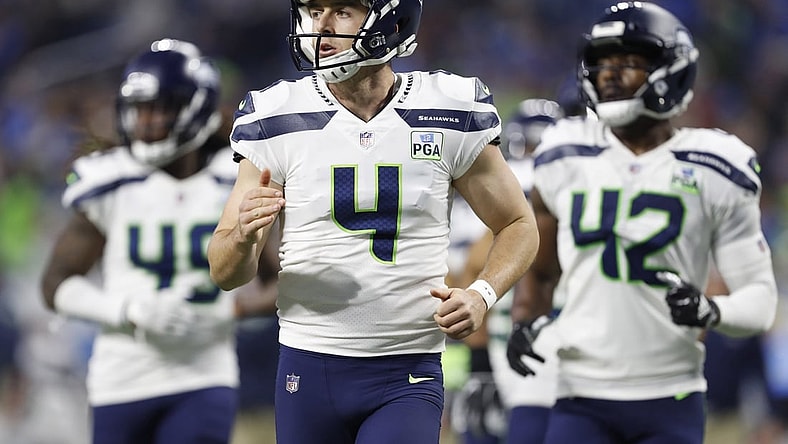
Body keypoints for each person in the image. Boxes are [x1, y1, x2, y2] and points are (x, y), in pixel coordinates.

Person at [206, 1, 540, 443]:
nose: (321, 25)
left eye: (342, 10)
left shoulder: (449, 111)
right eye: (313, 9)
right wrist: (245, 238)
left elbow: (519, 223)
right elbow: (224, 271)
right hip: (309, 362)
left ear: (391, 19)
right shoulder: (275, 116)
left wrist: (482, 294)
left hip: (407, 368)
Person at [505, 2, 778, 444]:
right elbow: (540, 270)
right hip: (581, 392)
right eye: (603, 62)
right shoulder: (562, 153)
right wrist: (524, 319)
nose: (610, 73)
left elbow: (761, 299)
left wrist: (713, 311)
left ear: (671, 69)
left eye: (629, 62)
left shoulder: (718, 165)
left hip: (670, 393)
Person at [39, 39, 265, 444]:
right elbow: (55, 286)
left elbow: (280, 281)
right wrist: (128, 309)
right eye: (140, 109)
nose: (147, 121)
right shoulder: (109, 181)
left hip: (205, 372)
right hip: (121, 377)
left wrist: (230, 310)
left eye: (161, 108)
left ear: (198, 109)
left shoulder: (236, 179)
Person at [453, 98, 565, 444]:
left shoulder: (500, 181)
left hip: (505, 343)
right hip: (566, 340)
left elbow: (469, 268)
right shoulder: (573, 175)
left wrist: (479, 362)